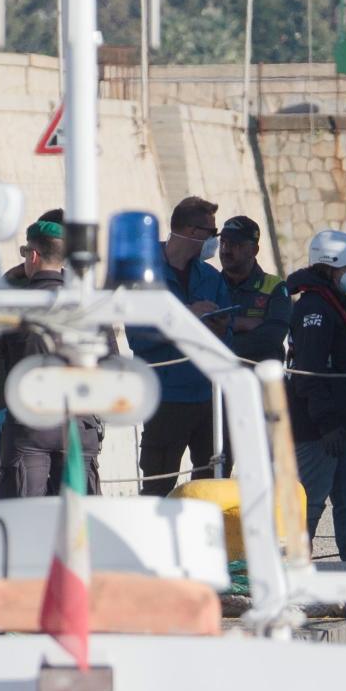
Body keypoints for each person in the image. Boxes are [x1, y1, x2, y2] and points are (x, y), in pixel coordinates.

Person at [276, 229, 346, 562]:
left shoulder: (339, 306)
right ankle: (296, 565)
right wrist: (327, 425)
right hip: (320, 429)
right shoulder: (314, 309)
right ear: (331, 267)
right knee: (311, 500)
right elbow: (308, 374)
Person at [130, 196, 233, 495]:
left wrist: (218, 327)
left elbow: (227, 340)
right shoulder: (142, 274)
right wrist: (187, 315)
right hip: (165, 400)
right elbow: (138, 336)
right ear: (191, 231)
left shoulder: (211, 278)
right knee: (156, 490)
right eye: (212, 233)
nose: (215, 242)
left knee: (213, 489)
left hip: (208, 399)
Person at [0, 214, 97, 499]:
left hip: (31, 424)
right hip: (80, 422)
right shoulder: (88, 302)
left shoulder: (15, 304)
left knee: (22, 511)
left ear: (34, 255)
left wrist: (8, 280)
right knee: (80, 517)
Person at [213, 216, 286, 363]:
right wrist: (241, 323)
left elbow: (272, 338)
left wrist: (227, 328)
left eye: (235, 244)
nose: (225, 250)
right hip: (220, 381)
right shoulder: (210, 283)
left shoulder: (275, 287)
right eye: (223, 242)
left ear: (254, 249)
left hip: (263, 382)